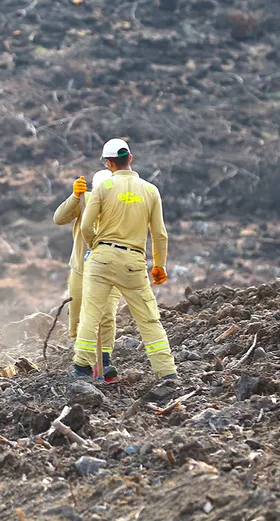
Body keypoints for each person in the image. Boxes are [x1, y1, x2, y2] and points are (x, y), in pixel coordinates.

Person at [74, 138, 178, 379]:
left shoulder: (104, 187)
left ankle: (81, 367)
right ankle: (167, 373)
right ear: (130, 158)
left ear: (108, 163)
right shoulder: (151, 190)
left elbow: (86, 227)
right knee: (149, 319)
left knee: (91, 313)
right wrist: (159, 265)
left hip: (102, 259)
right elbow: (160, 234)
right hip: (134, 262)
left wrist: (96, 246)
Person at [54, 169, 121, 378]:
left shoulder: (121, 207)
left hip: (110, 271)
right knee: (78, 316)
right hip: (81, 270)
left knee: (107, 315)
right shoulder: (85, 202)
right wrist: (74, 197)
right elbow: (59, 218)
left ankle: (104, 361)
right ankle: (83, 361)